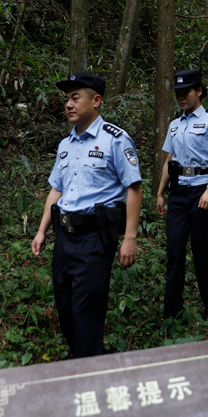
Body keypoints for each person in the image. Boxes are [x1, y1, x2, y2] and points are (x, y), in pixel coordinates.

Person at [31, 72, 142, 358]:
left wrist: (130, 238)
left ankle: (89, 365)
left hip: (95, 238)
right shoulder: (65, 145)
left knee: (86, 307)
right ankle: (81, 357)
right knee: (65, 303)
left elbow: (134, 188)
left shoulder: (115, 140)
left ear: (96, 101)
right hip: (64, 237)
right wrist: (42, 230)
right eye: (67, 99)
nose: (68, 104)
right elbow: (56, 190)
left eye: (75, 97)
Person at [156, 69, 208, 323]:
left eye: (185, 92)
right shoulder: (175, 124)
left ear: (198, 91)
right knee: (174, 251)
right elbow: (169, 159)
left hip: (202, 190)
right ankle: (173, 312)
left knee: (201, 249)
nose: (181, 97)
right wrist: (160, 192)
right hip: (178, 193)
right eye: (177, 93)